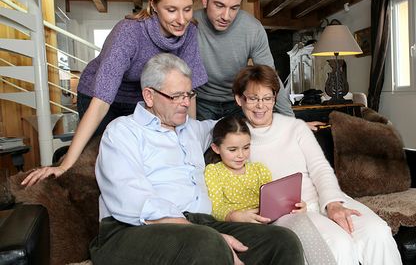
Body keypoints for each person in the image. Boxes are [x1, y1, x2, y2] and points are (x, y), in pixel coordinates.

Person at [89, 53, 304, 265]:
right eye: (176, 96)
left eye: (188, 95)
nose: (185, 103)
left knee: (283, 241)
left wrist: (262, 107)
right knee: (207, 243)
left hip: (201, 225)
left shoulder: (192, 129)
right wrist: (199, 232)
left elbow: (232, 127)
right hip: (134, 229)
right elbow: (134, 200)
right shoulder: (123, 132)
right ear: (149, 96)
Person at [22, 0, 207, 186]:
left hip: (142, 100)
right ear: (153, 5)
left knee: (145, 158)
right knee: (103, 160)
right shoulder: (129, 32)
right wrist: (65, 165)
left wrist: (191, 143)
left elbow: (188, 91)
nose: (181, 19)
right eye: (171, 10)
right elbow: (100, 103)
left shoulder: (190, 32)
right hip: (100, 97)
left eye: (187, 10)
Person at [231, 64, 403, 265]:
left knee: (377, 232)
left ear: (275, 98)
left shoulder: (295, 127)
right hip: (287, 214)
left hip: (322, 199)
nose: (261, 106)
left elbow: (320, 168)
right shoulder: (234, 138)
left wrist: (332, 203)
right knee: (338, 244)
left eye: (267, 98)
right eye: (253, 98)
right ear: (239, 99)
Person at [205, 115, 336, 265]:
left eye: (246, 148)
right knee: (285, 239)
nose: (241, 155)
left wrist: (294, 204)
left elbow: (274, 198)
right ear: (216, 148)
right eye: (233, 149)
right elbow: (215, 207)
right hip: (240, 225)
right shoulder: (213, 171)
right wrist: (234, 215)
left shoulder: (259, 169)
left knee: (300, 222)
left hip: (269, 220)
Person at [194, 0, 293, 120]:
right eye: (219, 6)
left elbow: (270, 77)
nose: (226, 16)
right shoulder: (189, 25)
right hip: (200, 102)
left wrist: (291, 122)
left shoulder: (252, 28)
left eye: (234, 8)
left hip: (238, 101)